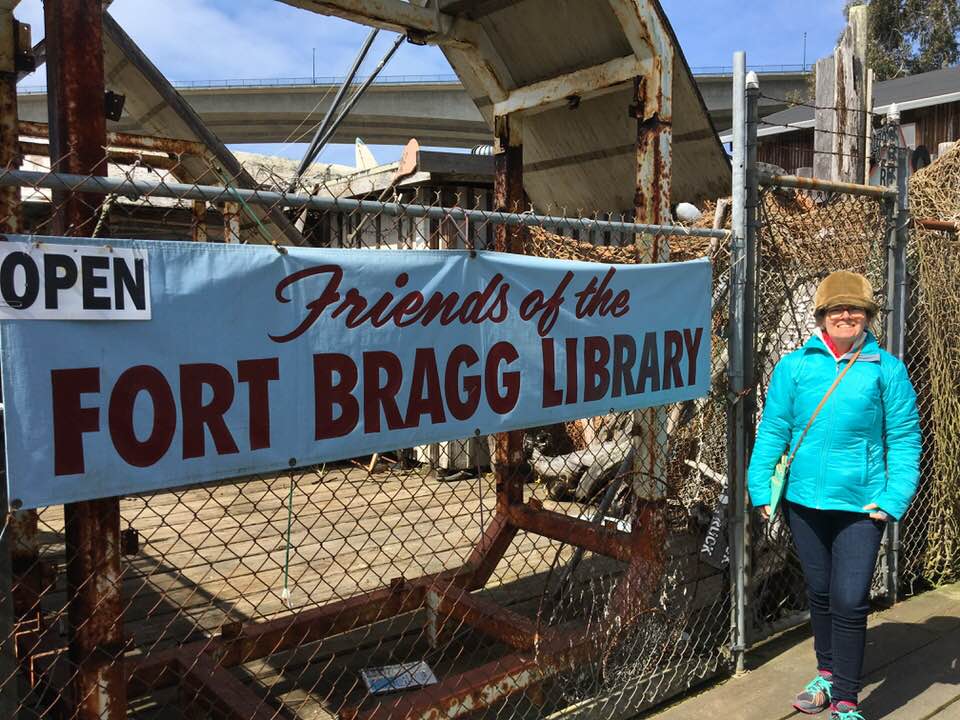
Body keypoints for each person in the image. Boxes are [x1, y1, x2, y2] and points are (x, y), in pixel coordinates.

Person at [747, 271, 920, 720]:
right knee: (821, 593)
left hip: (863, 506)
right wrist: (760, 485)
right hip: (804, 503)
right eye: (837, 308)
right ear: (822, 315)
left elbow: (904, 437)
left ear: (868, 315)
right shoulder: (794, 367)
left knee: (850, 598)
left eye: (855, 308)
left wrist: (894, 496)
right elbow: (774, 429)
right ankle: (826, 672)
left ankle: (845, 697)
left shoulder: (886, 370)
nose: (846, 314)